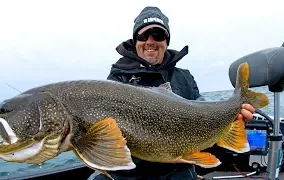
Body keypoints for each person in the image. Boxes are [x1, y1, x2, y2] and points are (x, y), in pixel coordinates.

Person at [91, 6, 255, 180]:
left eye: (158, 35)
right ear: (135, 41)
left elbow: (205, 109)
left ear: (166, 41)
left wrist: (234, 119)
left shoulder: (184, 77)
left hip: (178, 172)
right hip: (130, 174)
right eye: (143, 36)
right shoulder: (118, 79)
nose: (150, 41)